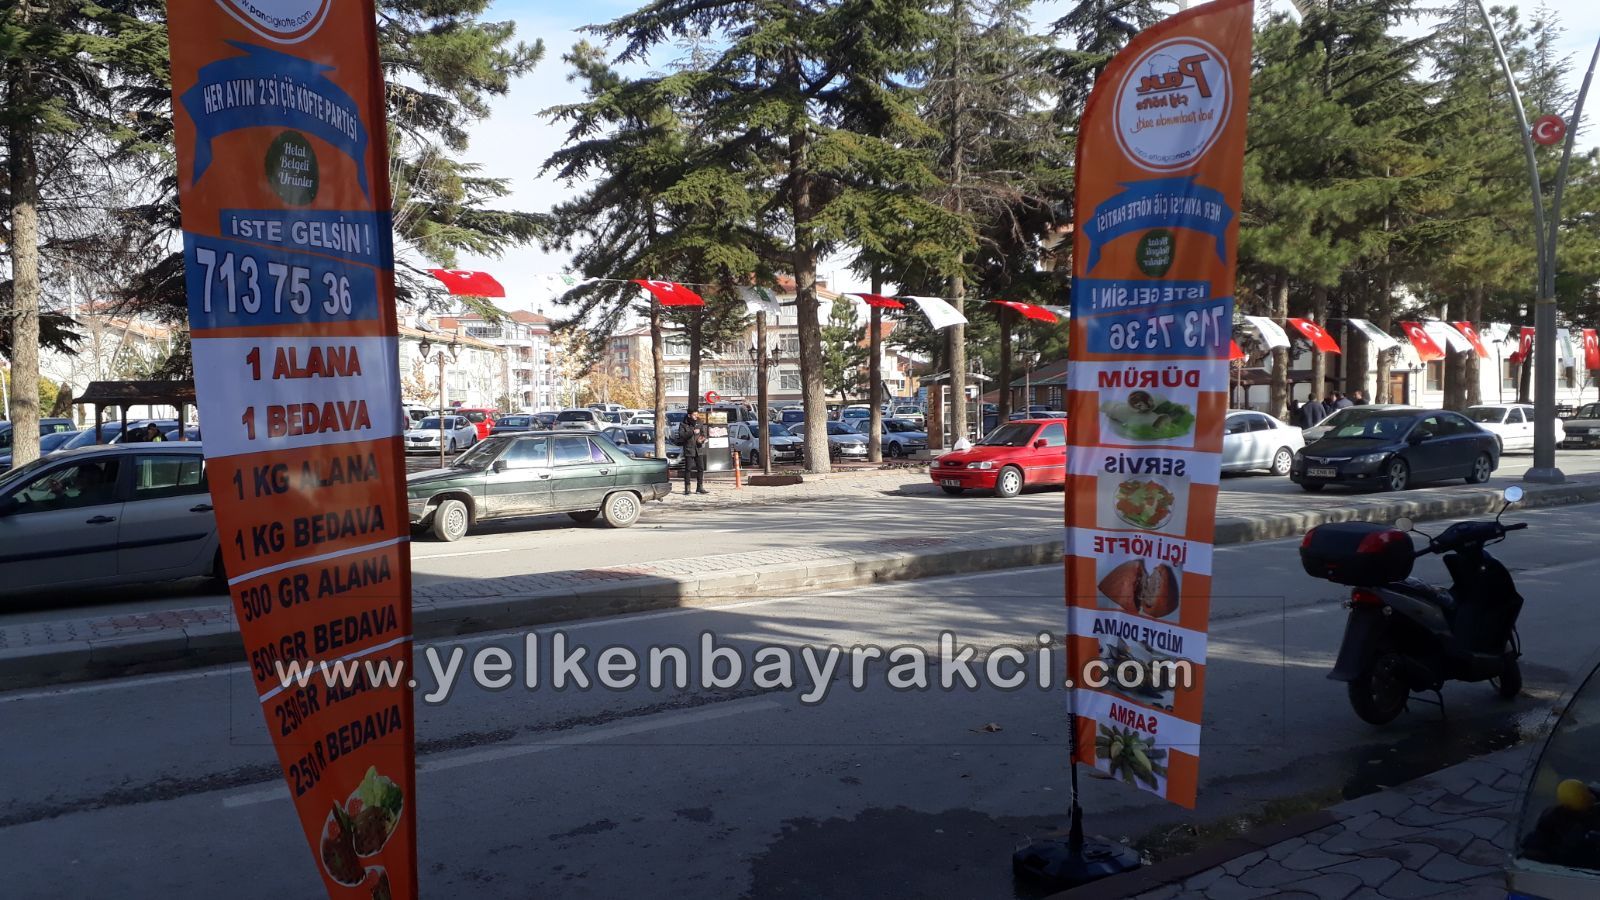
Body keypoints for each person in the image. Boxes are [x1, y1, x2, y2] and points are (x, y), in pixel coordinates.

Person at [676, 411, 710, 495]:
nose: (696, 416)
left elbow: (704, 434)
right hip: (689, 449)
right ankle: (687, 488)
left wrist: (702, 439)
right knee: (688, 469)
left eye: (697, 414)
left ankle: (700, 487)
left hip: (698, 449)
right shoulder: (683, 424)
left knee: (701, 468)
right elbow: (682, 435)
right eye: (694, 414)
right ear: (689, 415)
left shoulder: (699, 422)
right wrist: (692, 432)